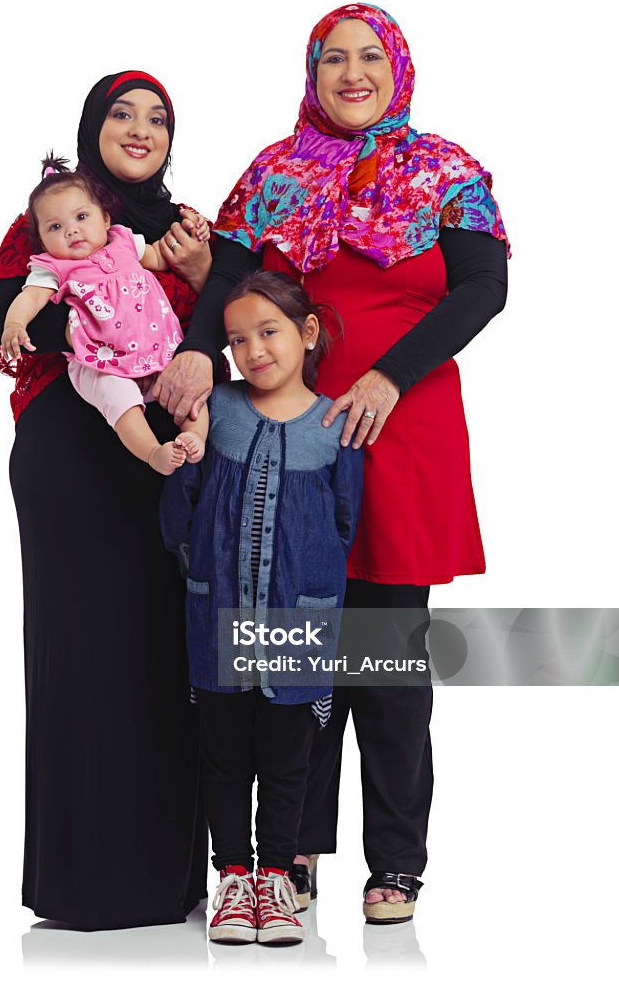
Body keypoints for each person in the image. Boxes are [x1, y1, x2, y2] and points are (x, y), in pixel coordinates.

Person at [155, 3, 509, 924]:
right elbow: (228, 280)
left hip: (403, 432)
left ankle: (396, 863)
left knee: (386, 656)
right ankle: (292, 851)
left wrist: (391, 376)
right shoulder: (274, 172)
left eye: (368, 59)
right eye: (332, 61)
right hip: (285, 441)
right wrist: (198, 348)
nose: (353, 75)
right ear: (311, 76)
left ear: (398, 68)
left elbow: (485, 285)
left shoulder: (446, 171)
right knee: (291, 642)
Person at [0, 70, 215, 930]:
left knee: (165, 650)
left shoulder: (181, 232)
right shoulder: (54, 216)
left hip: (162, 456)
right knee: (79, 650)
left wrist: (206, 277)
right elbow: (8, 320)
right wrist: (86, 314)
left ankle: (168, 878)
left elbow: (233, 325)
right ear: (93, 125)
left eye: (159, 117)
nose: (141, 128)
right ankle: (82, 882)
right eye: (123, 113)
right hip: (71, 457)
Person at [160, 271, 363, 944]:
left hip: (298, 619)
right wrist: (197, 566)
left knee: (286, 758)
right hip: (216, 611)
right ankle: (233, 880)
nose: (254, 351)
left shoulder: (334, 427)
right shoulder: (215, 409)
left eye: (268, 332)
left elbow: (341, 525)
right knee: (222, 756)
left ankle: (278, 877)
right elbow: (179, 507)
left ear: (306, 334)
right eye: (237, 339)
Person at [1, 156, 208, 474]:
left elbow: (160, 256)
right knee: (120, 401)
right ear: (42, 240)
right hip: (98, 360)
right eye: (55, 227)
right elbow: (30, 298)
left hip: (154, 346)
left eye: (81, 216)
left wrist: (189, 242)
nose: (72, 231)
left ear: (106, 219)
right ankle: (153, 452)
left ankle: (194, 437)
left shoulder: (124, 242)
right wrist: (15, 323)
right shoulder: (53, 267)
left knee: (190, 391)